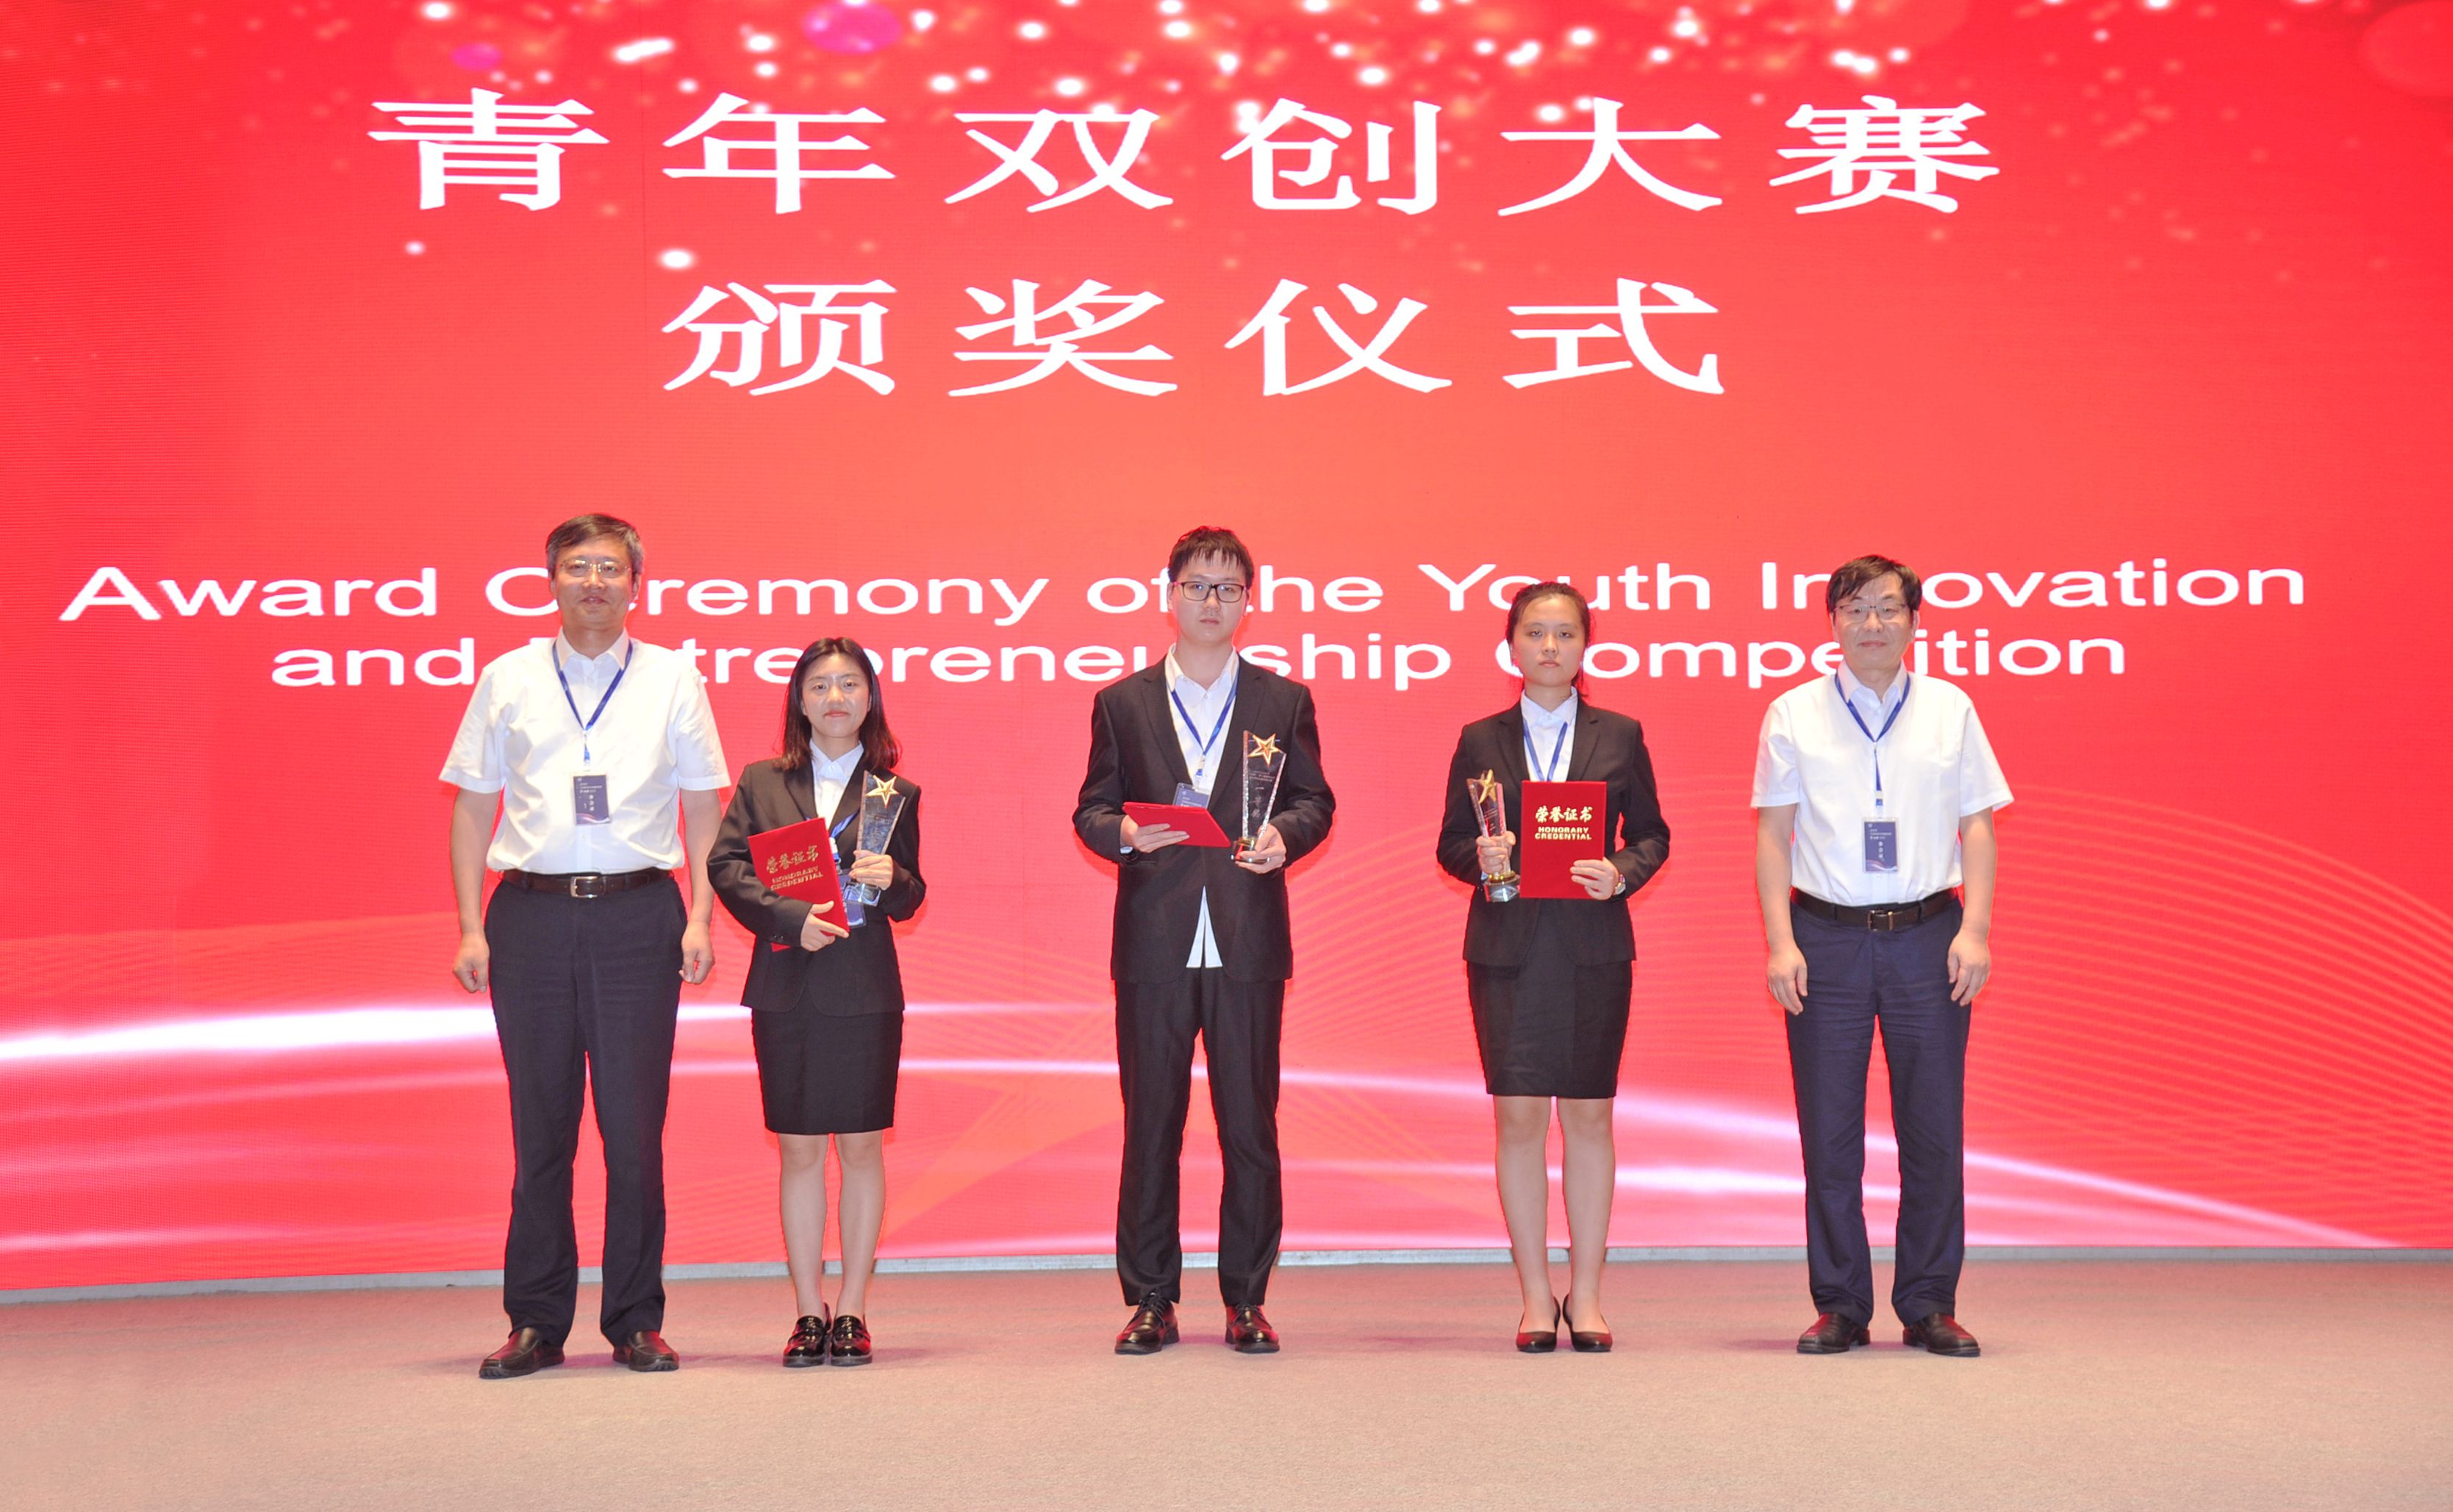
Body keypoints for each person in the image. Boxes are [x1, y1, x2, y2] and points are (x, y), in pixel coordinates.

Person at [443, 514, 728, 1379]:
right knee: (541, 1129)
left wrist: (701, 914)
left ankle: (636, 1318)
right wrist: (469, 923)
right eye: (578, 567)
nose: (594, 581)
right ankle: (535, 1319)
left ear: (636, 582)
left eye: (610, 567)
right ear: (553, 580)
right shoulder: (507, 677)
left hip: (640, 916)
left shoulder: (673, 676)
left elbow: (704, 804)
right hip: (529, 918)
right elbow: (473, 804)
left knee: (634, 1132)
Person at [1072, 526, 1336, 1355]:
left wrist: (1285, 836)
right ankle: (1151, 1297)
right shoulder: (1122, 701)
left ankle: (1246, 1298)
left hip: (1246, 935)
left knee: (1249, 1125)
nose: (1211, 601)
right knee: (1150, 1124)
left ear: (1248, 602)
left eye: (1227, 588)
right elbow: (1090, 807)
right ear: (1169, 596)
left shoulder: (1282, 700)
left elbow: (1314, 800)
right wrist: (1123, 832)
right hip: (1154, 938)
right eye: (1196, 585)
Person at [1751, 554, 2010, 1358]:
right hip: (1824, 938)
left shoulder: (1950, 708)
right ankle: (1840, 1303)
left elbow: (1977, 824)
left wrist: (1974, 930)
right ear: (1832, 620)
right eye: (1855, 608)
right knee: (1828, 1132)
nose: (1872, 624)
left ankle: (1929, 1302)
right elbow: (1772, 834)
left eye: (1888, 608)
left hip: (1929, 934)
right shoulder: (1792, 711)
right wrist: (1780, 941)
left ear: (1913, 621)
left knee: (1932, 1127)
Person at [1436, 582, 1671, 1353]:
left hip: (1592, 946)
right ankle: (1537, 1295)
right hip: (1506, 947)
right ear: (1511, 645)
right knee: (1518, 1118)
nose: (1548, 646)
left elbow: (1652, 835)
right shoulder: (1480, 738)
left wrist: (1621, 871)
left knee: (1590, 1115)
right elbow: (1450, 844)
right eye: (1534, 632)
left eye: (1564, 633)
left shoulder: (1621, 733)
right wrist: (1481, 858)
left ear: (1583, 646)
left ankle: (1589, 1293)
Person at [709, 638, 925, 1369]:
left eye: (850, 684)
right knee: (799, 1150)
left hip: (865, 988)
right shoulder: (762, 781)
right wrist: (788, 918)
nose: (836, 697)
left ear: (870, 698)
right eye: (821, 685)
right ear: (800, 700)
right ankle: (808, 1309)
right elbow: (725, 864)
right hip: (788, 982)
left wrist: (892, 878)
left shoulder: (894, 791)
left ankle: (854, 1307)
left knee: (861, 1147)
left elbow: (911, 893)